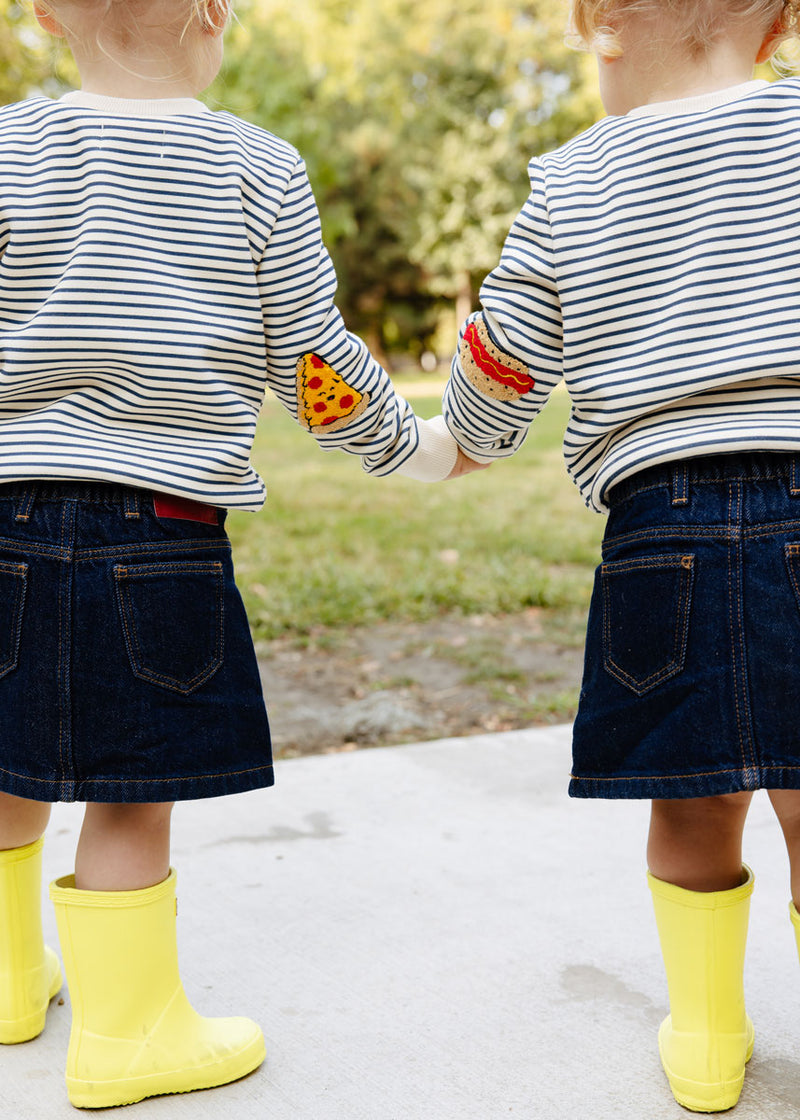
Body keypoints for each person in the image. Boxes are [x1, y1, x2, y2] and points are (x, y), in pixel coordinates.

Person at [0, 0, 482, 1109]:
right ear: (214, 12)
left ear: (42, 13)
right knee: (130, 790)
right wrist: (412, 448)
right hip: (157, 535)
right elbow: (311, 360)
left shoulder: (12, 146)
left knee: (10, 753)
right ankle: (129, 1036)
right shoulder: (252, 165)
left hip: (9, 522)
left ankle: (13, 980)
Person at [442, 0, 800, 1111]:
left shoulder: (571, 181)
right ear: (776, 24)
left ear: (598, 24)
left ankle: (701, 1037)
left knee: (688, 795)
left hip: (658, 533)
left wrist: (448, 433)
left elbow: (490, 392)